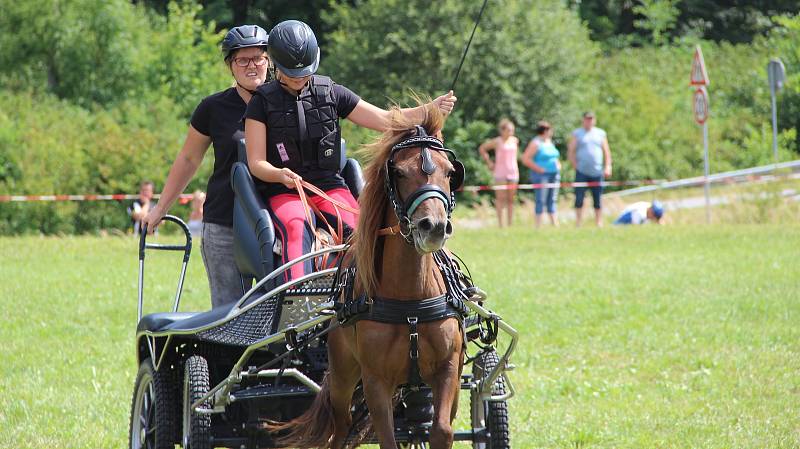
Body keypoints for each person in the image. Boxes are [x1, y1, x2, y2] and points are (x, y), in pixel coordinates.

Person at [244, 20, 456, 281]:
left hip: (329, 186)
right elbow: (256, 163)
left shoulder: (332, 92)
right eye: (292, 73)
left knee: (361, 227)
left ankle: (375, 290)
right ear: (275, 64)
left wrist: (428, 110)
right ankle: (296, 296)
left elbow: (385, 120)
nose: (299, 77)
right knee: (296, 226)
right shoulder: (260, 104)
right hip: (284, 189)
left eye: (305, 72)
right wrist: (280, 174)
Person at [142, 25, 270, 308]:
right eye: (242, 60)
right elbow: (188, 159)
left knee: (274, 312)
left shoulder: (284, 103)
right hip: (224, 224)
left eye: (258, 58)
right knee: (228, 313)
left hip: (274, 225)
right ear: (230, 66)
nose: (252, 66)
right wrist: (160, 208)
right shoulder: (213, 108)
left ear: (268, 60)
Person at [567, 111, 612, 227]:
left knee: (598, 198)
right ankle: (578, 222)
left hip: (597, 171)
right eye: (587, 119)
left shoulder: (600, 133)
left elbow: (606, 151)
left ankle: (599, 222)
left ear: (594, 120)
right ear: (583, 120)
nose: (589, 121)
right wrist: (575, 165)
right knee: (579, 197)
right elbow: (571, 151)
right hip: (581, 171)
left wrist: (608, 166)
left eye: (591, 119)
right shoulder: (577, 133)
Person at [478, 119, 519, 227]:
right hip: (500, 173)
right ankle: (501, 224)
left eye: (512, 130)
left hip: (513, 172)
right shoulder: (497, 141)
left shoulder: (515, 140)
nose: (511, 132)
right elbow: (482, 149)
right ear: (502, 130)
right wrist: (489, 163)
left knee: (511, 199)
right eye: (509, 130)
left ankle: (510, 224)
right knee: (501, 199)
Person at [521, 120, 560, 227]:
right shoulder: (536, 143)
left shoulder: (549, 142)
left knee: (552, 198)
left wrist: (558, 164)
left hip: (554, 174)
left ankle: (554, 224)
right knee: (541, 199)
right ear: (545, 130)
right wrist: (539, 169)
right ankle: (538, 224)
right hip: (542, 175)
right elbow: (525, 159)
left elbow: (554, 156)